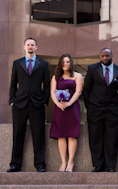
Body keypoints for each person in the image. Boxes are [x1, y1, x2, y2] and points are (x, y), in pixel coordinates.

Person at [8, 38, 50, 173]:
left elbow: (47, 84)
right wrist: (12, 100)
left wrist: (44, 100)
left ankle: (40, 164)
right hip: (19, 104)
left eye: (32, 45)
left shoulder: (44, 64)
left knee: (38, 135)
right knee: (18, 134)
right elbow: (13, 83)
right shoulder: (17, 63)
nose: (30, 47)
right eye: (28, 45)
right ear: (24, 47)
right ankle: (15, 164)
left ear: (36, 47)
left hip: (37, 104)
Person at [83, 48, 118, 172]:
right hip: (95, 109)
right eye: (102, 56)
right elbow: (87, 89)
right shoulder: (92, 69)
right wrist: (89, 106)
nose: (105, 58)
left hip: (113, 110)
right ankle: (98, 165)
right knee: (95, 137)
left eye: (107, 55)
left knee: (111, 138)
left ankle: (111, 165)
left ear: (112, 55)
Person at [49, 54, 83, 172]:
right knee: (61, 135)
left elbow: (78, 92)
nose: (65, 64)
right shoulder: (55, 77)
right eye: (63, 62)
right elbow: (52, 92)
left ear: (71, 63)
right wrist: (57, 103)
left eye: (67, 62)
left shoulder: (77, 76)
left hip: (72, 108)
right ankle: (63, 161)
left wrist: (69, 103)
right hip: (60, 108)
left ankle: (70, 161)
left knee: (72, 135)